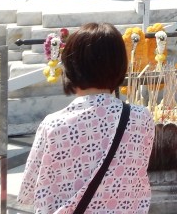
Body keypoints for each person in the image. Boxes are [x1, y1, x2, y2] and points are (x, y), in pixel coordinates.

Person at [18, 22, 155, 214]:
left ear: (71, 67)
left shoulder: (54, 125)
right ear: (121, 65)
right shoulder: (141, 119)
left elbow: (28, 191)